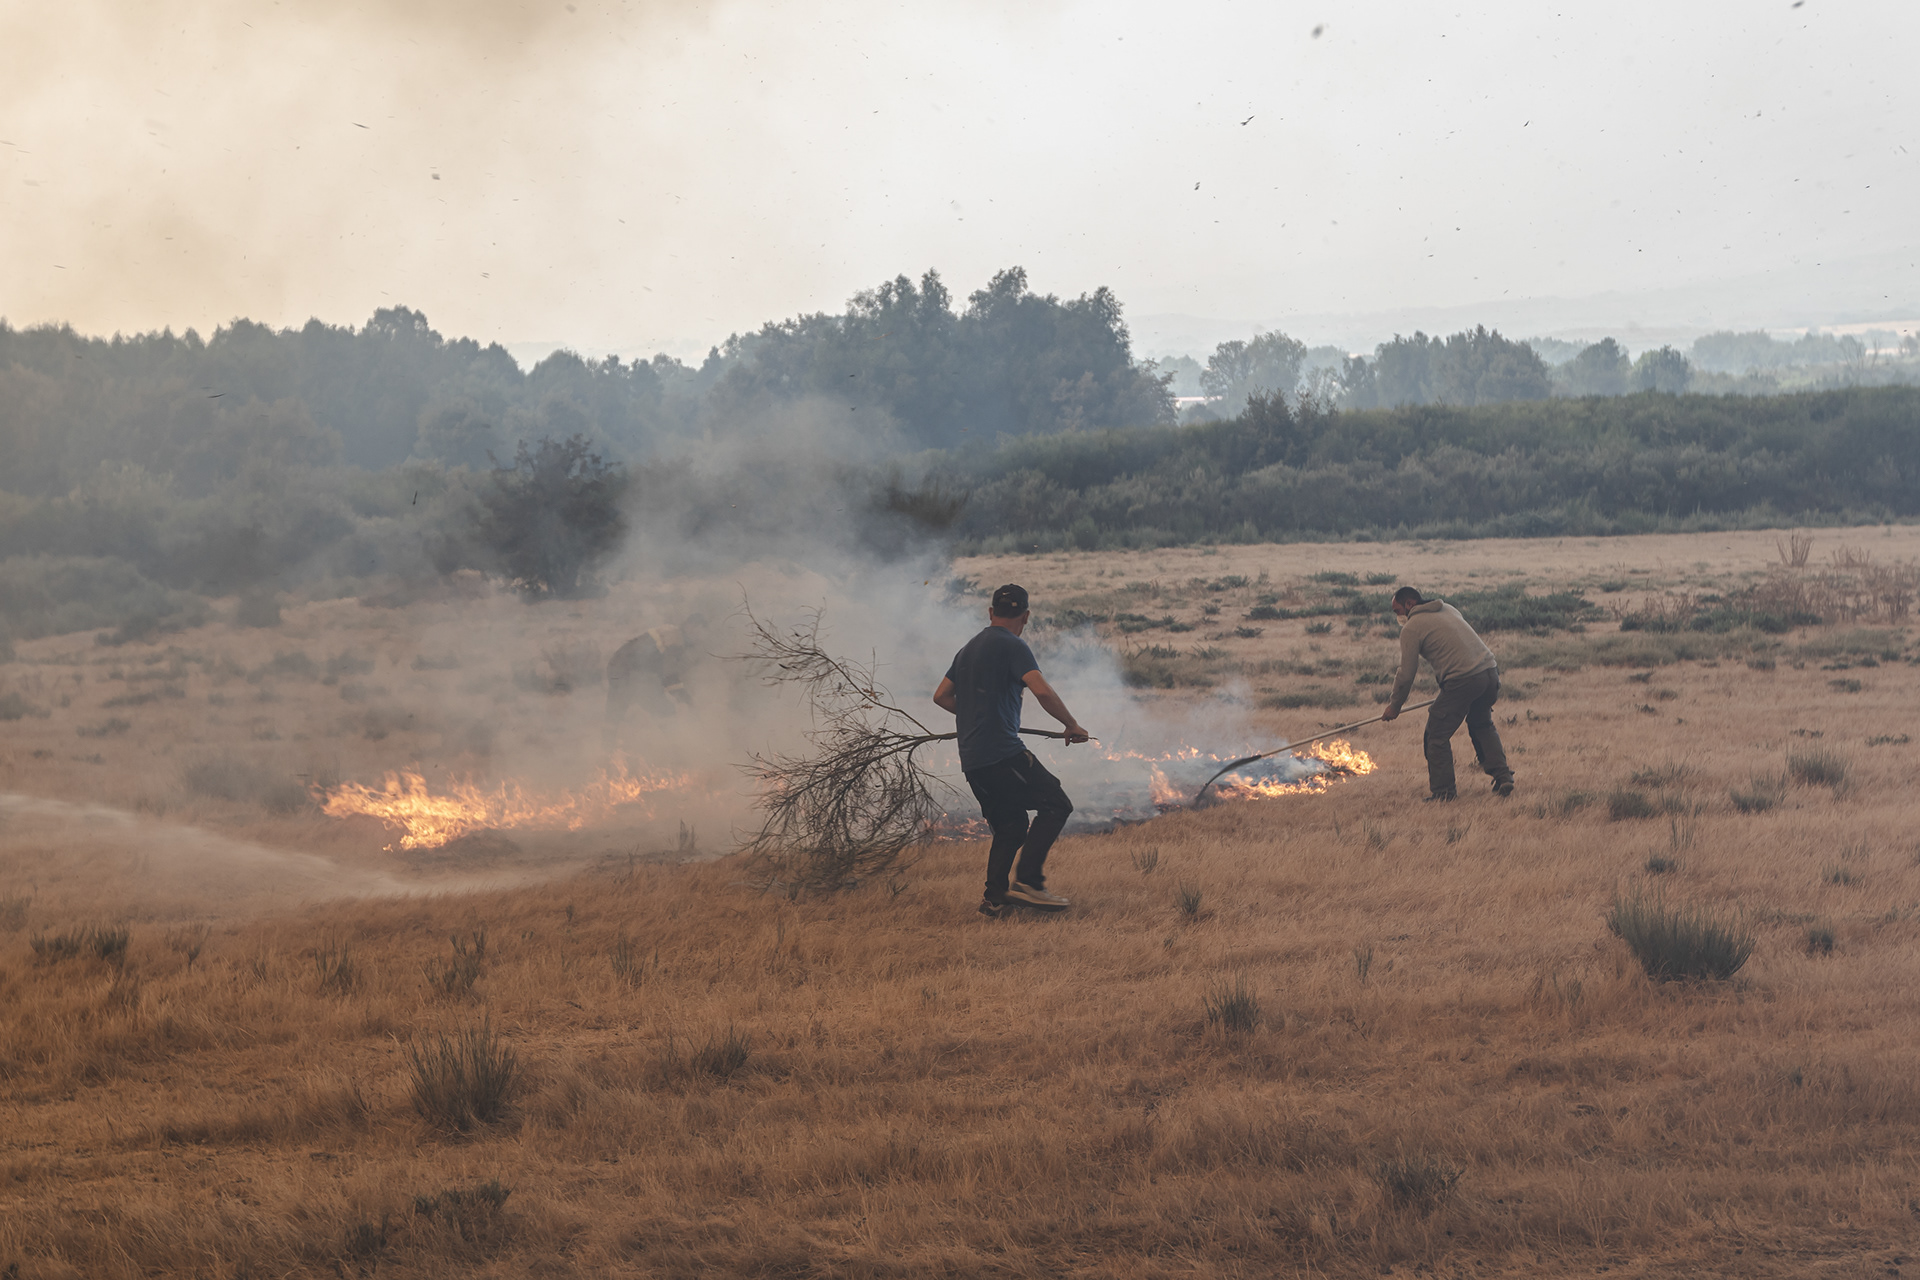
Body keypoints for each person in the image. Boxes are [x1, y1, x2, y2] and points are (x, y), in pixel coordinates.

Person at [933, 584, 1091, 917]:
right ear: (1026, 617)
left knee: (1011, 827)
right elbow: (1042, 691)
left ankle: (995, 899)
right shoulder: (1013, 645)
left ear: (991, 612)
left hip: (973, 760)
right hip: (1002, 753)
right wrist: (1071, 724)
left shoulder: (968, 649)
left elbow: (942, 696)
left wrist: (977, 715)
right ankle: (1028, 883)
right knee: (1056, 804)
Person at [1381, 587, 1515, 801]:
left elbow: (1406, 674)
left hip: (1463, 680)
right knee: (1481, 724)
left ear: (1409, 604)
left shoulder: (1411, 628)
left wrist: (1394, 706)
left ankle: (1444, 793)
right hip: (1490, 673)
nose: (1397, 616)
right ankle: (1503, 777)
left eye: (1397, 611)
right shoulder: (1448, 609)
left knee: (1436, 735)